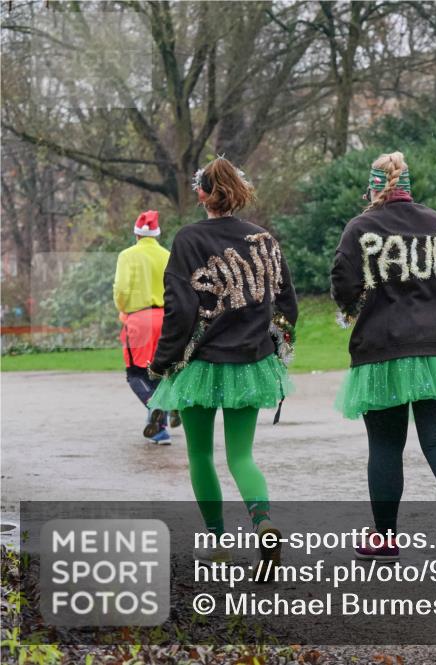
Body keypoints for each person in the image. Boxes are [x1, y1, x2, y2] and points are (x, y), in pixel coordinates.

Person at [330, 151, 436, 568]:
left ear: (372, 189)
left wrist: (354, 310)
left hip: (383, 347)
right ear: (409, 187)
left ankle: (384, 537)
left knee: (385, 445)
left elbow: (343, 284)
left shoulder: (360, 228)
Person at [147, 158, 298, 575]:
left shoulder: (188, 239)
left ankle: (216, 544)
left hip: (200, 363)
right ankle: (263, 522)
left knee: (199, 454)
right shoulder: (264, 239)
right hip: (250, 362)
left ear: (202, 193)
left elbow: (179, 310)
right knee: (241, 456)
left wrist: (162, 362)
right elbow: (287, 303)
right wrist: (276, 344)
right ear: (239, 191)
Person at [113, 210, 177, 444]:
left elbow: (121, 289)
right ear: (157, 234)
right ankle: (160, 428)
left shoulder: (127, 255)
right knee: (160, 371)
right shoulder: (167, 255)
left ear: (136, 234)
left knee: (136, 374)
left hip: (139, 320)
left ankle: (159, 408)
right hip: (167, 318)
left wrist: (123, 308)